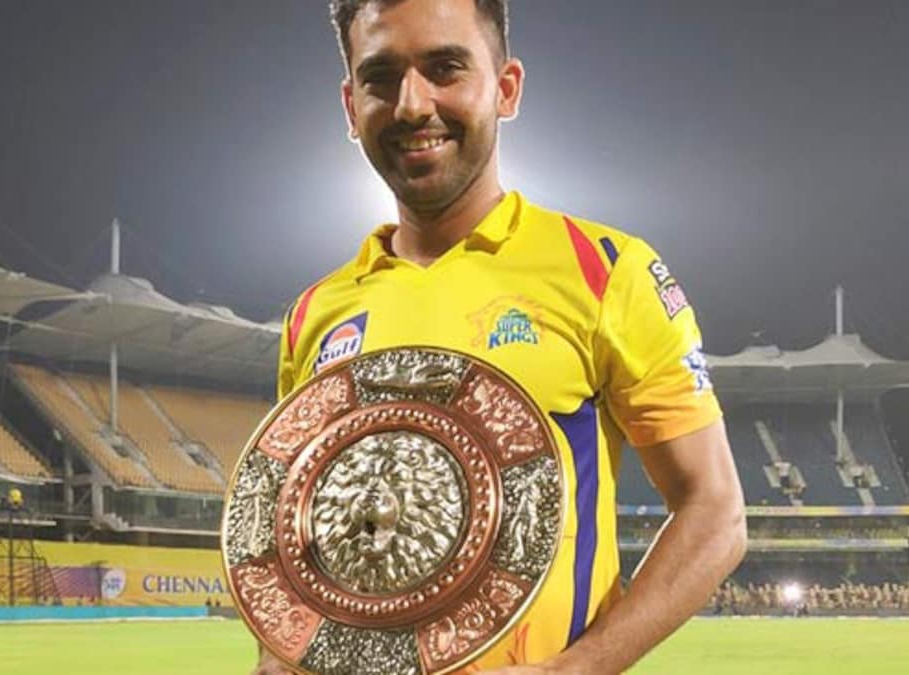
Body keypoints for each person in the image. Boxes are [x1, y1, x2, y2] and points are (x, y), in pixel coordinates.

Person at [255, 1, 747, 672]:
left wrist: (578, 667)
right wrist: (276, 657)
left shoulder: (604, 270)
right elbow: (293, 540)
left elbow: (714, 511)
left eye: (445, 68)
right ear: (351, 106)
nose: (412, 104)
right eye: (381, 78)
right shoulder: (314, 314)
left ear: (506, 88)